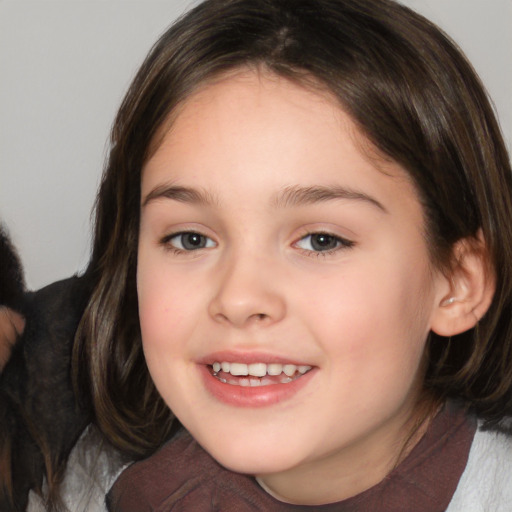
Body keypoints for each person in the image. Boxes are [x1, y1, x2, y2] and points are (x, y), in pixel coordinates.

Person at [73, 0, 512, 509]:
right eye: (191, 239)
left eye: (321, 240)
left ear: (458, 282)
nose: (239, 299)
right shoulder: (68, 487)